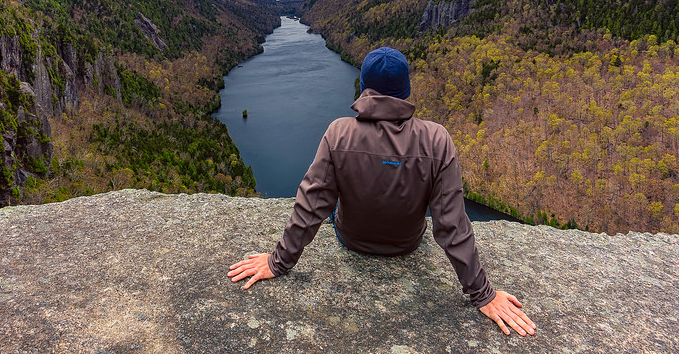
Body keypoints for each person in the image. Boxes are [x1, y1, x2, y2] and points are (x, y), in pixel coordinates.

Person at [227, 46, 536, 338]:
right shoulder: (437, 139)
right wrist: (482, 294)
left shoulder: (338, 133)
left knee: (330, 202)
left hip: (352, 239)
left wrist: (278, 262)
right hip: (407, 243)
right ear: (406, 90)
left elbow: (311, 207)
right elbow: (451, 224)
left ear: (364, 88)